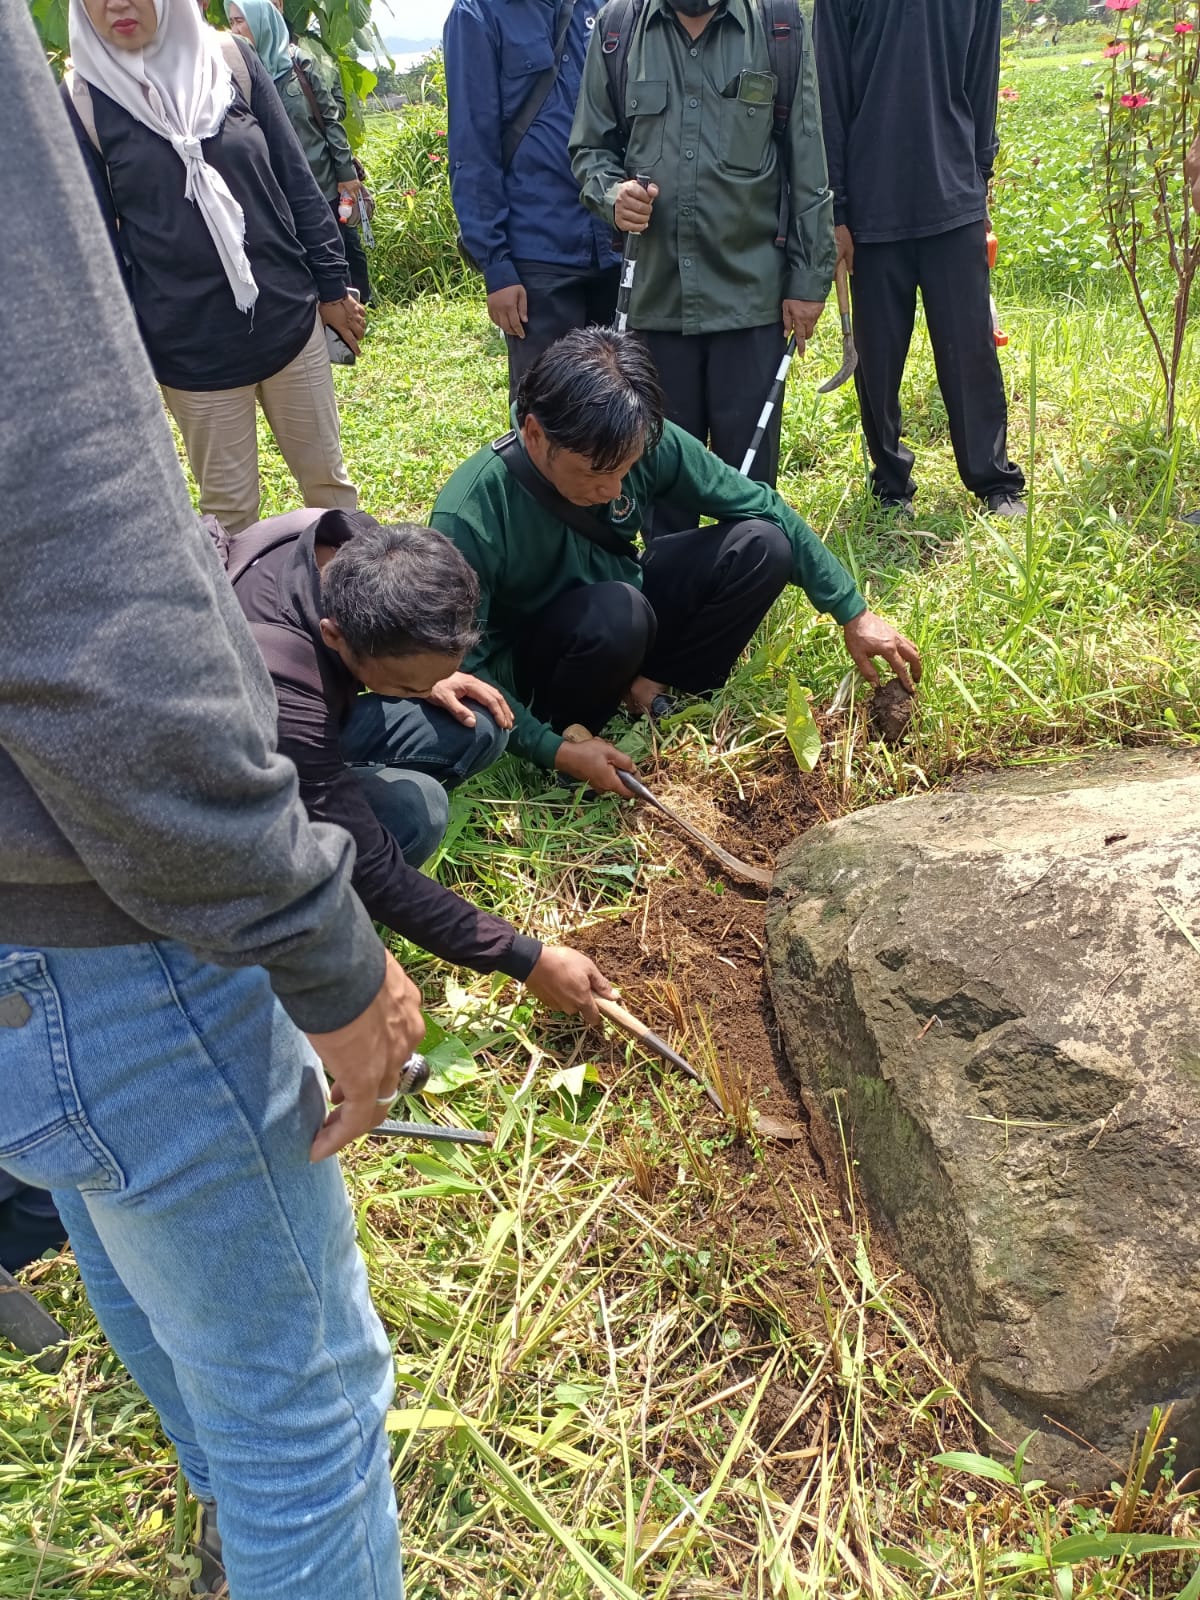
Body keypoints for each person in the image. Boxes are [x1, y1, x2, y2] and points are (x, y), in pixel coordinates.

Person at [6, 9, 426, 1594]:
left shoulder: (241, 68)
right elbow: (88, 586)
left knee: (128, 1242)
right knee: (308, 1405)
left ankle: (240, 1537)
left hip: (27, 956)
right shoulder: (54, 101)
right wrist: (325, 947)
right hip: (98, 901)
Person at [430, 327, 921, 794]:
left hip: (625, 603)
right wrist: (553, 749)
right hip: (549, 658)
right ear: (535, 435)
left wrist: (853, 612)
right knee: (617, 614)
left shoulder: (634, 438)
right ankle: (578, 730)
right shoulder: (471, 510)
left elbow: (762, 504)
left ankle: (651, 685)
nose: (614, 490)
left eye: (626, 470)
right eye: (595, 475)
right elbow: (461, 668)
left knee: (762, 545)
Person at [229, 506, 617, 1017]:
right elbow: (376, 870)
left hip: (317, 720)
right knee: (413, 814)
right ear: (335, 636)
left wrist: (432, 676)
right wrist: (528, 959)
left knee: (476, 721)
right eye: (407, 683)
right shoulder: (276, 679)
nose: (420, 693)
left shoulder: (357, 545)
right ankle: (309, 930)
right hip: (235, 793)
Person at [64, 0, 364, 534]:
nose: (115, 5)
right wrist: (127, 350)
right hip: (190, 349)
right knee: (228, 516)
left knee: (330, 491)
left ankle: (360, 613)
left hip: (287, 319)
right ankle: (247, 620)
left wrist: (332, 287)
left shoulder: (231, 61)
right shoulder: (85, 99)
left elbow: (296, 180)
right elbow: (97, 248)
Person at [569, 0, 834, 513]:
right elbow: (589, 150)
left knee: (752, 490)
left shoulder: (776, 25)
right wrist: (612, 195)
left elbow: (807, 158)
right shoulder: (617, 29)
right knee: (663, 487)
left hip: (750, 301)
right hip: (655, 304)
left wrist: (808, 280)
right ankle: (669, 591)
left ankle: (748, 588)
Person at [813, 0, 1027, 518]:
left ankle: (994, 481)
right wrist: (837, 206)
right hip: (870, 205)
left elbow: (982, 75)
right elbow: (828, 92)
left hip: (952, 198)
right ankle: (890, 484)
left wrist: (978, 180)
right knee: (877, 360)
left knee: (970, 351)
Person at [444, 0, 622, 401]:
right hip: (538, 256)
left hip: (614, 243)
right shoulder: (476, 14)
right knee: (549, 410)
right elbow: (472, 145)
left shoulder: (602, 7)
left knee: (621, 405)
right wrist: (496, 264)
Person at [228, 0, 372, 304]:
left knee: (344, 245)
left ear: (261, 21)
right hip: (280, 189)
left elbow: (330, 120)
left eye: (240, 21)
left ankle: (360, 305)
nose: (234, 30)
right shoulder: (239, 76)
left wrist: (345, 176)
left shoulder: (299, 63)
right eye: (231, 23)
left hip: (324, 180)